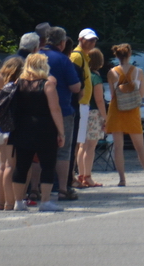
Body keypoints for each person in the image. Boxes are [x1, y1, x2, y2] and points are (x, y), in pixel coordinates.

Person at [9, 52, 64, 212]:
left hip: (22, 127)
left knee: (21, 165)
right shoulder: (47, 85)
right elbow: (55, 109)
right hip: (44, 128)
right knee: (47, 165)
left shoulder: (18, 83)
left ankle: (18, 202)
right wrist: (61, 132)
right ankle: (45, 201)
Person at [105, 43, 144, 186]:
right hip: (132, 111)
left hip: (116, 110)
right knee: (140, 147)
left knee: (118, 147)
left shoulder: (111, 73)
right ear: (129, 54)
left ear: (117, 56)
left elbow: (112, 95)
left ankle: (122, 179)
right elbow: (141, 94)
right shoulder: (138, 72)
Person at [40, 27, 82, 202]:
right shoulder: (63, 60)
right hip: (62, 110)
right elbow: (75, 87)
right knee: (63, 151)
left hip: (36, 110)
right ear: (62, 43)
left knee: (37, 152)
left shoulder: (35, 56)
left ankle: (34, 189)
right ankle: (63, 189)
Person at [0, 56, 24, 210]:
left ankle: (1, 202)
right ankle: (10, 202)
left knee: (2, 165)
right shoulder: (15, 88)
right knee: (11, 166)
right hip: (9, 128)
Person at [69, 28, 97, 189]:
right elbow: (74, 80)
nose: (92, 42)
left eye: (94, 40)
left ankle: (76, 176)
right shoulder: (77, 56)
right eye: (89, 39)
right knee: (76, 143)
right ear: (80, 39)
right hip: (79, 104)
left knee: (78, 143)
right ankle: (71, 176)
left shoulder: (83, 56)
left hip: (83, 104)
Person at [75, 47, 107, 188]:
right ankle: (88, 176)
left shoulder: (84, 75)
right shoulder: (96, 78)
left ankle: (81, 175)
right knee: (91, 146)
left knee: (82, 145)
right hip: (94, 113)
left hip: (83, 111)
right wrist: (105, 117)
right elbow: (99, 100)